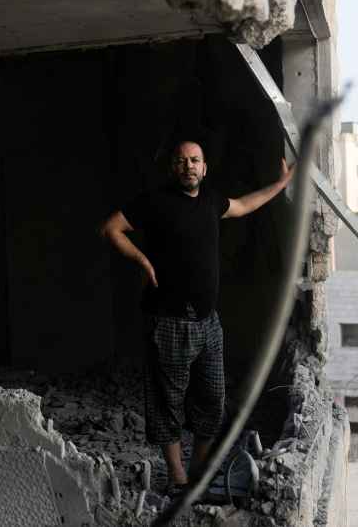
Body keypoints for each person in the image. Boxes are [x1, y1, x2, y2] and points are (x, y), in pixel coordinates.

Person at [100, 140, 294, 491]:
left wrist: (280, 186)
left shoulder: (211, 201)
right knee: (167, 402)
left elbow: (245, 204)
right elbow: (111, 227)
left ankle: (198, 470)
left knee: (213, 399)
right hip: (168, 320)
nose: (188, 166)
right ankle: (177, 477)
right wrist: (142, 260)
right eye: (181, 161)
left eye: (194, 160)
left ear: (204, 168)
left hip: (208, 321)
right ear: (173, 167)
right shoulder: (154, 202)